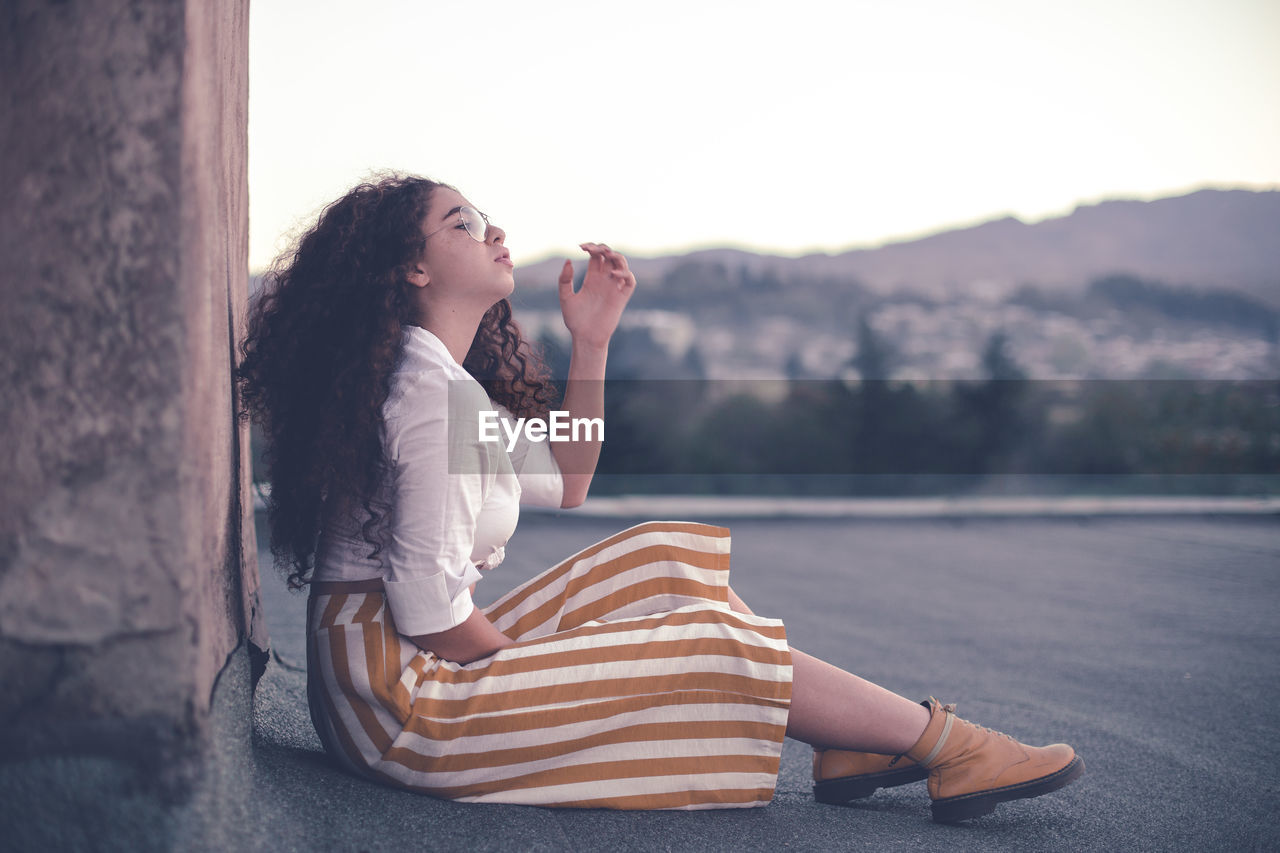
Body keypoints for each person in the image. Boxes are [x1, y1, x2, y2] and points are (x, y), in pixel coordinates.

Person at [236, 172, 1084, 820]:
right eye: (462, 223)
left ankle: (844, 743)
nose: (492, 232)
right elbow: (427, 611)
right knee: (707, 643)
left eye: (486, 216)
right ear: (411, 266)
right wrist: (566, 668)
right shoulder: (429, 399)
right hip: (398, 710)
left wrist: (592, 341)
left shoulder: (439, 383)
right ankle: (948, 744)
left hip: (393, 672)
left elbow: (570, 477)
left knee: (661, 559)